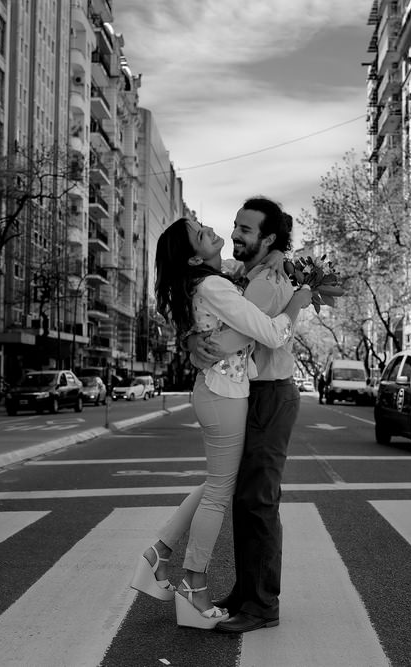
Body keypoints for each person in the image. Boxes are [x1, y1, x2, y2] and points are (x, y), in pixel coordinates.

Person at [129, 215, 312, 631]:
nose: (213, 231)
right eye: (201, 232)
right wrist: (298, 303)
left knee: (216, 484)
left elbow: (235, 296)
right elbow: (269, 332)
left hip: (220, 391)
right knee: (217, 494)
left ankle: (157, 556)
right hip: (224, 394)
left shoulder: (214, 279)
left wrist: (282, 257)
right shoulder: (214, 284)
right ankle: (193, 586)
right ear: (194, 256)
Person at [188, 197, 301, 634]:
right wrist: (191, 339)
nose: (234, 234)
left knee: (259, 501)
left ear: (268, 238)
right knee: (243, 497)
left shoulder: (265, 282)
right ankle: (245, 592)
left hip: (270, 395)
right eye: (235, 225)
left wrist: (196, 351)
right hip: (256, 393)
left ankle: (261, 605)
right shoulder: (247, 275)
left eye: (245, 230)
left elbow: (222, 343)